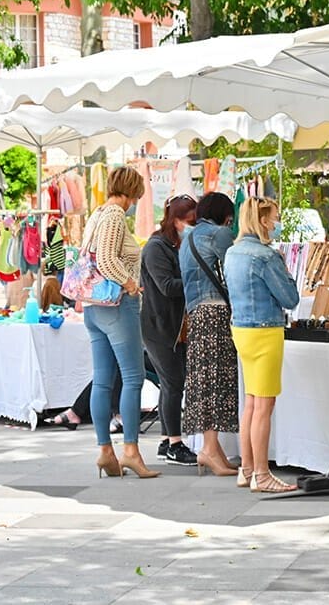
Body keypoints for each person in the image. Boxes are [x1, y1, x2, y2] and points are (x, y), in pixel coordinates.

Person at [84, 166, 158, 479]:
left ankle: (105, 451)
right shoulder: (114, 215)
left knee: (102, 379)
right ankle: (131, 451)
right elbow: (106, 259)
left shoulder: (97, 214)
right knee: (133, 377)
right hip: (117, 305)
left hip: (93, 306)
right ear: (130, 192)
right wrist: (129, 282)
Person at [224, 196, 300, 493]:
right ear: (265, 221)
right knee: (264, 405)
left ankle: (247, 469)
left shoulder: (233, 253)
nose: (277, 222)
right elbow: (290, 298)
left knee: (252, 403)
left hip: (241, 329)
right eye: (275, 217)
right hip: (266, 331)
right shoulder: (267, 256)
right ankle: (262, 474)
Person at [179, 192, 240, 478]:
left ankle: (212, 449)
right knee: (217, 378)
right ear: (223, 214)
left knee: (204, 379)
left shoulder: (187, 238)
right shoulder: (220, 234)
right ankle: (209, 448)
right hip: (216, 311)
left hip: (196, 314)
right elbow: (234, 270)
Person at [140, 194, 198, 466]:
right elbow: (165, 286)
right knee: (174, 383)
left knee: (171, 384)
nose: (192, 227)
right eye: (188, 222)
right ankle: (175, 443)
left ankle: (167, 439)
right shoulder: (155, 248)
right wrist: (198, 281)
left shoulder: (178, 245)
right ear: (174, 220)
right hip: (160, 327)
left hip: (176, 326)